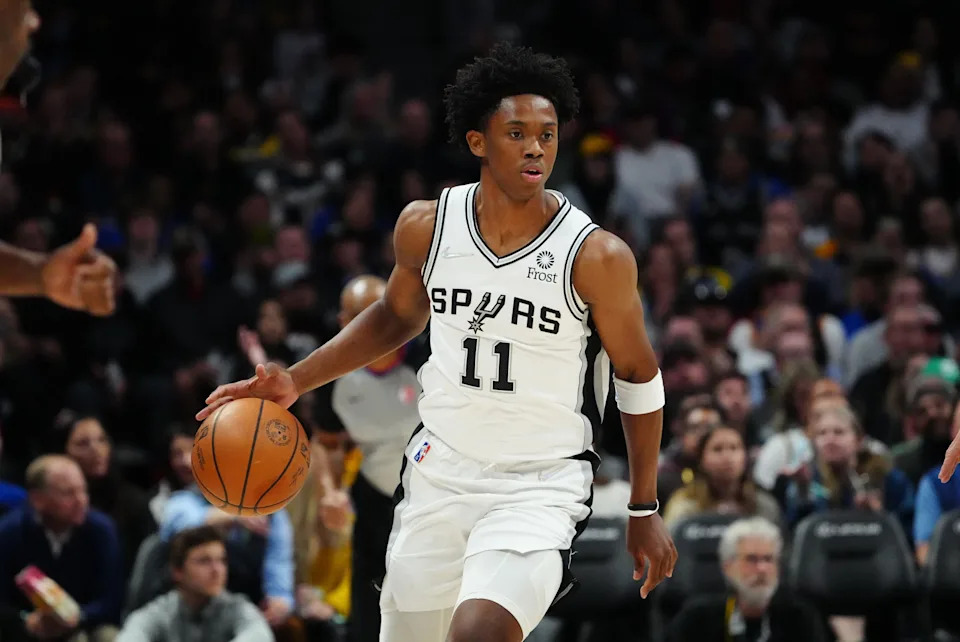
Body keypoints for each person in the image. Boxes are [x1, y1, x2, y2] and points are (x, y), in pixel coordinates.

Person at [198, 42, 677, 642]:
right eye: (517, 132)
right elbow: (395, 316)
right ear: (478, 142)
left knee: (478, 634)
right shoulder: (427, 226)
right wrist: (295, 379)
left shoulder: (596, 256)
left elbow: (638, 376)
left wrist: (643, 505)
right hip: (438, 473)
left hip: (539, 485)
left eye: (549, 134)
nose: (536, 147)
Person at [0, 455, 123, 642]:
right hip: (27, 630)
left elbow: (111, 600)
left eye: (83, 491)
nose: (81, 500)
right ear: (38, 499)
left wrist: (76, 616)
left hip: (88, 623)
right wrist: (26, 621)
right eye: (68, 493)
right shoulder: (10, 532)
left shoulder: (102, 530)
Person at [667, 516, 826, 642]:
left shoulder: (800, 618)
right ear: (728, 566)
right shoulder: (697, 619)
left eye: (768, 559)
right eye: (751, 559)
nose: (762, 568)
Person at [116, 526, 273, 642]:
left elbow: (260, 635)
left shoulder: (236, 608)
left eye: (222, 561)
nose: (217, 570)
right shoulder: (161, 612)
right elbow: (131, 635)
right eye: (204, 561)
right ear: (177, 571)